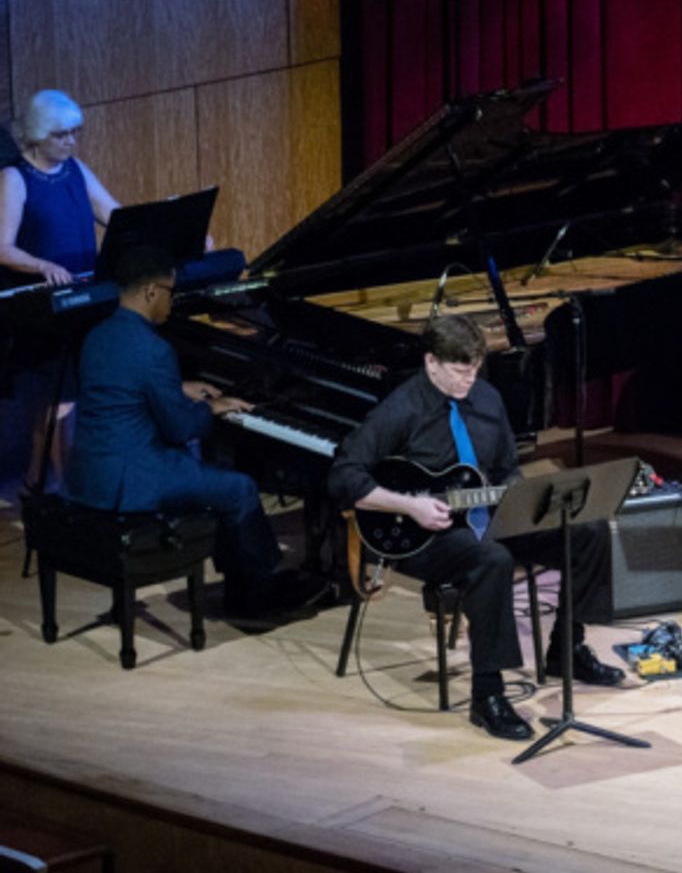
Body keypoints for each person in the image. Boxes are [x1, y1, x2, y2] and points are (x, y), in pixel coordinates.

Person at [327, 314, 624, 743]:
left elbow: (505, 470)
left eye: (475, 369)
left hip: (482, 516)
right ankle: (488, 696)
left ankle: (567, 650)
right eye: (459, 370)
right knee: (491, 559)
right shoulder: (401, 409)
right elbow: (343, 476)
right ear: (431, 363)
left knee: (587, 531)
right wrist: (409, 506)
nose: (470, 379)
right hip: (421, 534)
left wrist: (524, 500)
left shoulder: (486, 398)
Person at [64, 246, 319, 618]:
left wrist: (177, 388)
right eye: (171, 291)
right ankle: (256, 595)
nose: (173, 301)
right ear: (151, 291)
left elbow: (120, 387)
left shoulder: (97, 335)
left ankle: (241, 582)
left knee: (218, 479)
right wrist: (210, 407)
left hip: (90, 473)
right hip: (135, 477)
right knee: (239, 488)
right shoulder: (154, 349)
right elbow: (181, 427)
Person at [0, 90, 121, 493]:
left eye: (75, 133)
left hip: (82, 299)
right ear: (36, 135)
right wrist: (42, 265)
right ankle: (68, 496)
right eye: (61, 135)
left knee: (57, 402)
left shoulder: (76, 170)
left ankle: (37, 481)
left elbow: (116, 216)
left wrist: (165, 229)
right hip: (44, 306)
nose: (71, 142)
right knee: (58, 400)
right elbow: (2, 246)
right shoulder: (14, 178)